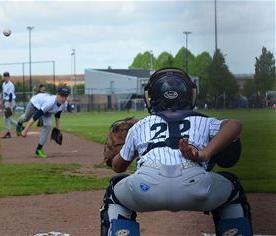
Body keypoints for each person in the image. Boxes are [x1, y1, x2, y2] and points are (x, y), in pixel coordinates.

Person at [100, 68, 253, 236]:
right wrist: (204, 153)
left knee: (115, 192)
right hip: (196, 184)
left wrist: (113, 158)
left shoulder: (139, 125)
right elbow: (235, 125)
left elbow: (119, 167)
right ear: (190, 95)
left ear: (151, 97)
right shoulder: (202, 120)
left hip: (146, 185)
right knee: (232, 189)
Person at [16, 86, 70, 158]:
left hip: (47, 110)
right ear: (57, 94)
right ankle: (19, 123)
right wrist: (25, 130)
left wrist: (58, 129)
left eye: (65, 96)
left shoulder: (64, 103)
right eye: (62, 95)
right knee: (26, 118)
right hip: (35, 104)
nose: (63, 98)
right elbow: (35, 117)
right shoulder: (50, 102)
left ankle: (39, 149)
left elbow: (57, 114)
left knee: (48, 126)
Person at [0, 71, 18, 138]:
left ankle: (8, 133)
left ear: (9, 77)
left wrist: (9, 105)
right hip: (6, 102)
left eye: (7, 76)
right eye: (5, 76)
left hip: (11, 102)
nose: (6, 78)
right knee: (8, 118)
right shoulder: (3, 84)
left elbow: (10, 95)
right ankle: (19, 126)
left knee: (6, 118)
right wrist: (1, 101)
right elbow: (4, 94)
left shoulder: (11, 85)